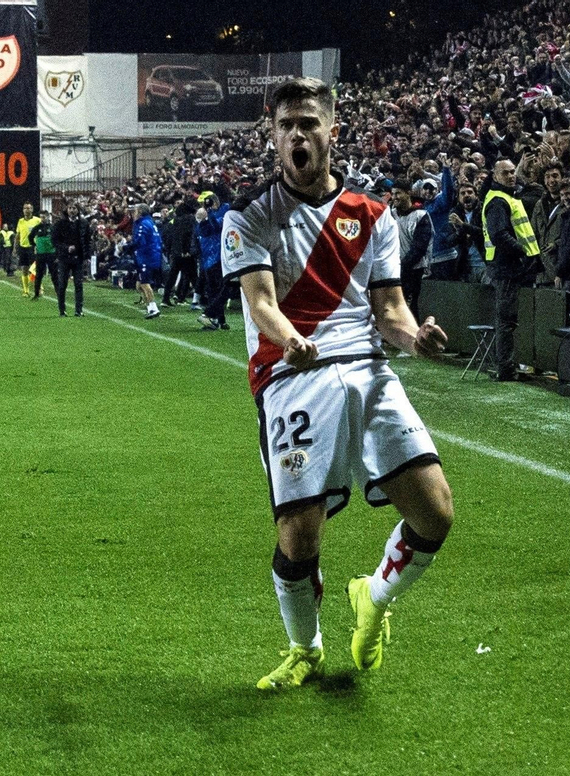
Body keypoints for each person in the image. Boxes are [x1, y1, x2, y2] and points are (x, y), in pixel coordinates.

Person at [221, 78, 454, 691]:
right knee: (299, 538)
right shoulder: (249, 216)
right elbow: (261, 301)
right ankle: (305, 648)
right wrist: (290, 339)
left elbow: (391, 309)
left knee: (435, 512)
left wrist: (415, 338)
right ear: (272, 135)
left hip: (368, 371)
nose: (297, 135)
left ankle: (373, 596)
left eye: (308, 123)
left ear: (332, 130)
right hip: (292, 375)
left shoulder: (374, 215)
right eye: (286, 126)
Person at [482, 158, 542, 381]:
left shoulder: (504, 197)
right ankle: (506, 369)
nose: (511, 176)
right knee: (506, 321)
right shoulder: (499, 201)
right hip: (508, 268)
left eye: (512, 172)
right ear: (495, 176)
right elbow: (499, 236)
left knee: (507, 320)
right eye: (505, 173)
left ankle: (508, 366)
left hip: (508, 267)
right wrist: (523, 252)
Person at [391, 183, 433, 324]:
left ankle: (413, 335)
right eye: (393, 193)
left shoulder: (421, 216)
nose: (394, 197)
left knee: (409, 303)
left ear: (408, 193)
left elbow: (419, 248)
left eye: (398, 193)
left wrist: (402, 266)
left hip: (414, 268)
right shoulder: (392, 213)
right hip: (396, 266)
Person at [195, 199, 231, 330]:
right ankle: (213, 317)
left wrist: (208, 213)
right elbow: (216, 226)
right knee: (222, 289)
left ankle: (218, 320)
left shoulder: (202, 225)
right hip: (216, 260)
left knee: (215, 291)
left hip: (209, 262)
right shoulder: (206, 224)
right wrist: (209, 213)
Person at [51, 203, 90, 317]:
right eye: (70, 208)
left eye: (74, 208)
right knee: (62, 284)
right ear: (66, 210)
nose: (72, 210)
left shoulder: (83, 223)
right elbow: (54, 241)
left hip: (78, 258)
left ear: (78, 210)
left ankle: (79, 310)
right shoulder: (59, 224)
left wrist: (86, 256)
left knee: (78, 284)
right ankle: (62, 310)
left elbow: (87, 241)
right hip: (64, 258)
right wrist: (66, 248)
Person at [132, 204, 163, 319]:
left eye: (135, 211)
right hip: (150, 256)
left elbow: (140, 241)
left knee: (144, 283)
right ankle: (150, 307)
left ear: (140, 212)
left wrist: (127, 247)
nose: (134, 214)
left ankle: (153, 308)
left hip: (147, 257)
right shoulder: (149, 222)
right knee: (139, 285)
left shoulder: (143, 224)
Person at [16, 203, 40, 298]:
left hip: (33, 247)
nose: (27, 210)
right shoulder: (20, 221)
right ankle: (26, 291)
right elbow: (18, 235)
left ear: (32, 209)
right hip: (23, 247)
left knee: (34, 269)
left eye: (29, 208)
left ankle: (39, 287)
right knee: (24, 269)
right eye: (25, 208)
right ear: (23, 210)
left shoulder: (37, 220)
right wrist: (15, 248)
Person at [29, 210, 55, 298]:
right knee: (39, 274)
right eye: (41, 217)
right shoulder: (37, 227)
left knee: (54, 274)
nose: (42, 219)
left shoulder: (52, 227)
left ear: (48, 217)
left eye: (44, 217)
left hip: (51, 254)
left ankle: (59, 293)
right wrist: (35, 245)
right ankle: (36, 293)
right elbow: (30, 237)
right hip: (40, 254)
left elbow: (58, 239)